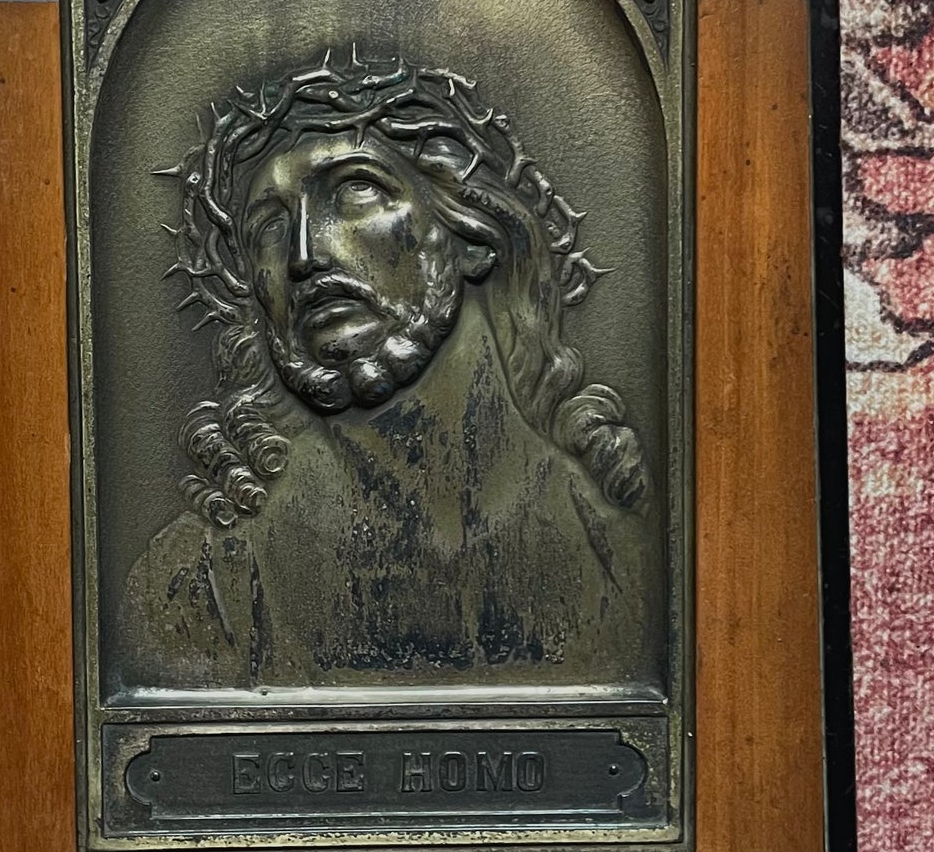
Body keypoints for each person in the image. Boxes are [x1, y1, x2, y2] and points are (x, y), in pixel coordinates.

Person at [117, 49, 659, 689]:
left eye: (355, 191)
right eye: (269, 228)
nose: (303, 256)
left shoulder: (624, 549)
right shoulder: (199, 580)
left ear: (470, 235)